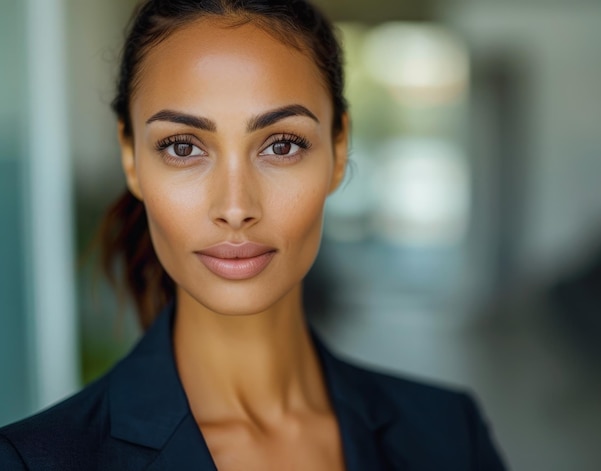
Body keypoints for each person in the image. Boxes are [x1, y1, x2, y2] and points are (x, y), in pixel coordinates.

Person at [0, 1, 507, 469]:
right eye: (182, 148)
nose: (236, 207)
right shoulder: (34, 461)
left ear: (338, 148)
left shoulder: (448, 433)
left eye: (281, 145)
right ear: (131, 159)